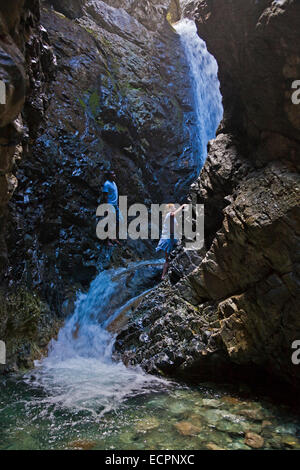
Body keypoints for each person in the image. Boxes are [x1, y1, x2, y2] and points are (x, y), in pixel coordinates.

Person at [156, 203, 187, 280]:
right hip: (168, 239)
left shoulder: (171, 218)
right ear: (170, 209)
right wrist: (182, 206)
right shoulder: (169, 215)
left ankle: (163, 276)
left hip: (171, 238)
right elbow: (173, 214)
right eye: (173, 207)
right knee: (168, 258)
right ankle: (164, 275)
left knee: (168, 259)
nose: (174, 208)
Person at [102, 170, 122, 247]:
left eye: (114, 174)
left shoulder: (113, 183)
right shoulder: (106, 184)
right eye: (112, 174)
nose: (114, 175)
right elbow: (105, 196)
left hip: (115, 205)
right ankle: (107, 241)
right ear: (109, 176)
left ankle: (113, 237)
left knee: (119, 221)